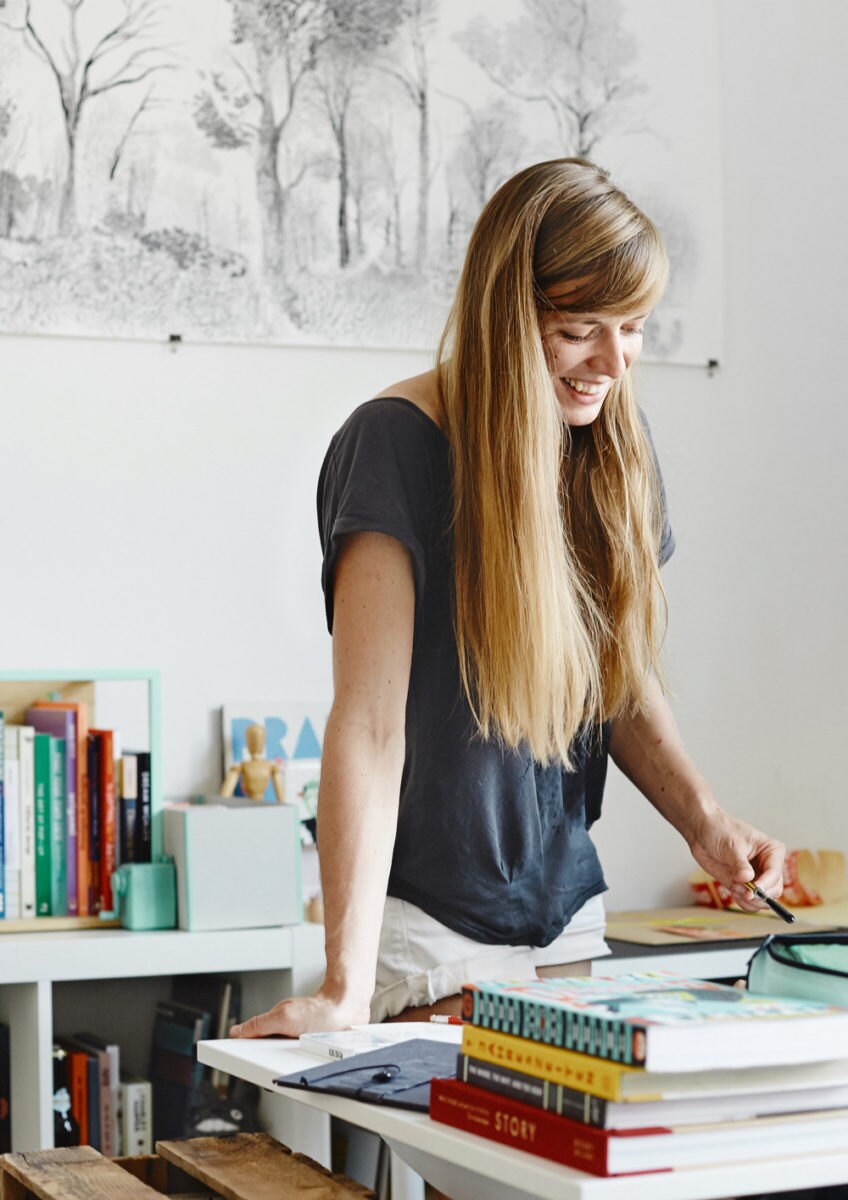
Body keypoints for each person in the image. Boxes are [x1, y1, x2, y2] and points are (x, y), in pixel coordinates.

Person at [231, 157, 786, 1040]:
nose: (611, 362)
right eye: (579, 329)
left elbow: (617, 685)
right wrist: (343, 984)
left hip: (566, 909)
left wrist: (707, 824)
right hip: (436, 924)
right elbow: (369, 728)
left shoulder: (607, 442)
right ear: (507, 314)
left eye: (633, 328)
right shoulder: (393, 448)